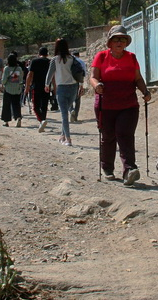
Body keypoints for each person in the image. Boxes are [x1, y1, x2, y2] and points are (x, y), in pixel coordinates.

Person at [89, 25, 151, 186]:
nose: (119, 41)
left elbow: (137, 78)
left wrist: (145, 91)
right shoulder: (101, 57)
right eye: (116, 38)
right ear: (110, 42)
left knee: (125, 135)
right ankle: (107, 168)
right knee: (108, 137)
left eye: (123, 39)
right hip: (106, 104)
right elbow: (93, 77)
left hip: (128, 104)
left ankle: (130, 170)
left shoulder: (131, 57)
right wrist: (96, 86)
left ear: (126, 42)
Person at [45, 38, 82, 146]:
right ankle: (62, 135)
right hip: (73, 87)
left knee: (64, 114)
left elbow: (49, 74)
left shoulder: (55, 60)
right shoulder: (73, 58)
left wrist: (47, 85)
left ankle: (68, 139)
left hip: (62, 88)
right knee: (65, 113)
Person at [25, 47, 51, 131]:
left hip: (36, 86)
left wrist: (27, 86)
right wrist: (54, 86)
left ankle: (41, 120)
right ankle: (42, 121)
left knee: (36, 106)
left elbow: (30, 74)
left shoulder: (35, 61)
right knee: (44, 105)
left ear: (38, 53)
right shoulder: (49, 62)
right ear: (47, 54)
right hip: (47, 86)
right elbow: (53, 76)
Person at [0, 52, 24, 127]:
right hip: (17, 89)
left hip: (8, 89)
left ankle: (6, 121)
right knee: (16, 104)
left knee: (6, 105)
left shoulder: (7, 69)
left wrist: (3, 84)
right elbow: (21, 79)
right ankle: (18, 117)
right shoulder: (19, 69)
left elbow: (4, 80)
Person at [71, 51, 87, 123]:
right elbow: (84, 74)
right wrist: (81, 85)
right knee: (78, 100)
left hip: (70, 82)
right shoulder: (81, 62)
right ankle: (76, 116)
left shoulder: (69, 61)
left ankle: (71, 110)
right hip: (78, 82)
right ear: (79, 55)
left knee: (69, 98)